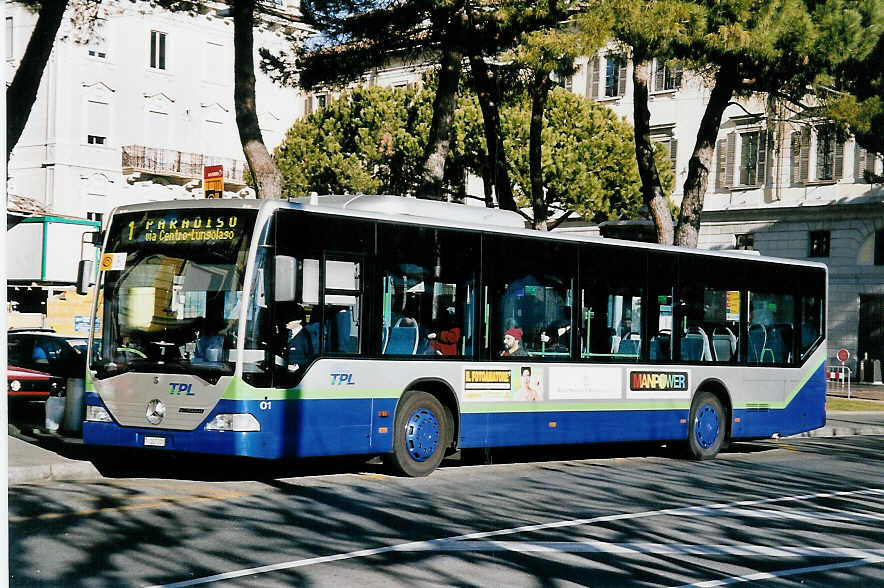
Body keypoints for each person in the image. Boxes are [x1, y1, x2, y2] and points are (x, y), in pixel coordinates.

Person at [283, 303, 314, 371]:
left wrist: (298, 366)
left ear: (299, 321)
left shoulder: (306, 337)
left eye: (290, 320)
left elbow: (311, 358)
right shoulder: (287, 334)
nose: (286, 322)